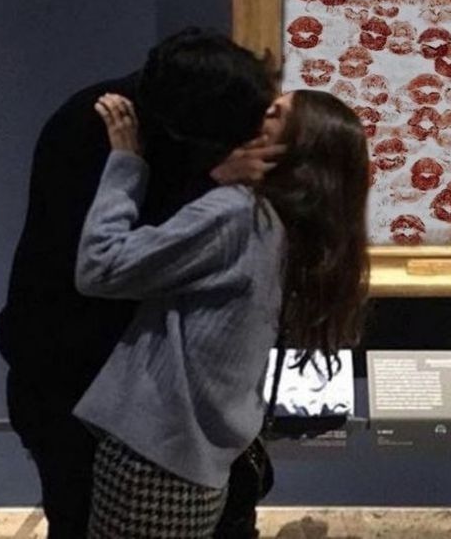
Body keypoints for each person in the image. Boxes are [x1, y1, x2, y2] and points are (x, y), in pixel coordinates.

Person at [0, 28, 283, 539]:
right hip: (79, 385)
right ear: (196, 129)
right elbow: (101, 268)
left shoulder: (175, 119)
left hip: (148, 402)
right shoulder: (97, 127)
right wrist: (210, 182)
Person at [73, 87, 370, 539]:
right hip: (198, 461)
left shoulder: (241, 215)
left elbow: (101, 266)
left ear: (297, 145)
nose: (256, 119)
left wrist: (126, 165)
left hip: (156, 456)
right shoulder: (290, 230)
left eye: (273, 115)